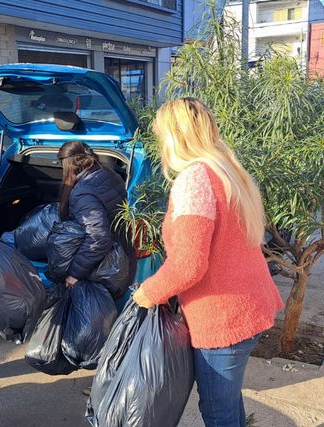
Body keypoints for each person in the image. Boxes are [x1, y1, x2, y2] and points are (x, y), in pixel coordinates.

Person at [131, 98, 284, 427]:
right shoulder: (224, 168)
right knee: (227, 404)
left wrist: (149, 292)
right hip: (246, 306)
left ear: (176, 135)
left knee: (218, 412)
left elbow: (188, 266)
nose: (160, 143)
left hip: (224, 318)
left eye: (161, 134)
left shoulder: (194, 180)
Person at [57, 141, 137, 292]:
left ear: (68, 165)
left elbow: (98, 238)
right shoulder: (108, 173)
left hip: (107, 270)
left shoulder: (82, 193)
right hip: (122, 257)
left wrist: (75, 274)